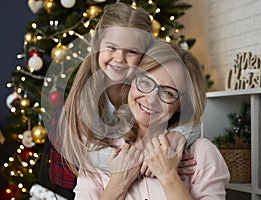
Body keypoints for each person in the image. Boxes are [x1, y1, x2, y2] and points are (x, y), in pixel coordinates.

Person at [50, 2, 198, 197]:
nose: (119, 58)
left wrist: (178, 135)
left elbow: (192, 120)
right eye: (111, 47)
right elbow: (94, 159)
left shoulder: (146, 90)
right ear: (97, 46)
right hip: (84, 185)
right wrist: (157, 162)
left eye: (132, 51)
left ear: (145, 56)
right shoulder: (84, 101)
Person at [72, 39, 230, 199]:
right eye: (145, 82)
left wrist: (169, 177)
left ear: (182, 104)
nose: (151, 99)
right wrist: (118, 183)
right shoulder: (99, 153)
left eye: (168, 93)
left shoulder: (201, 153)